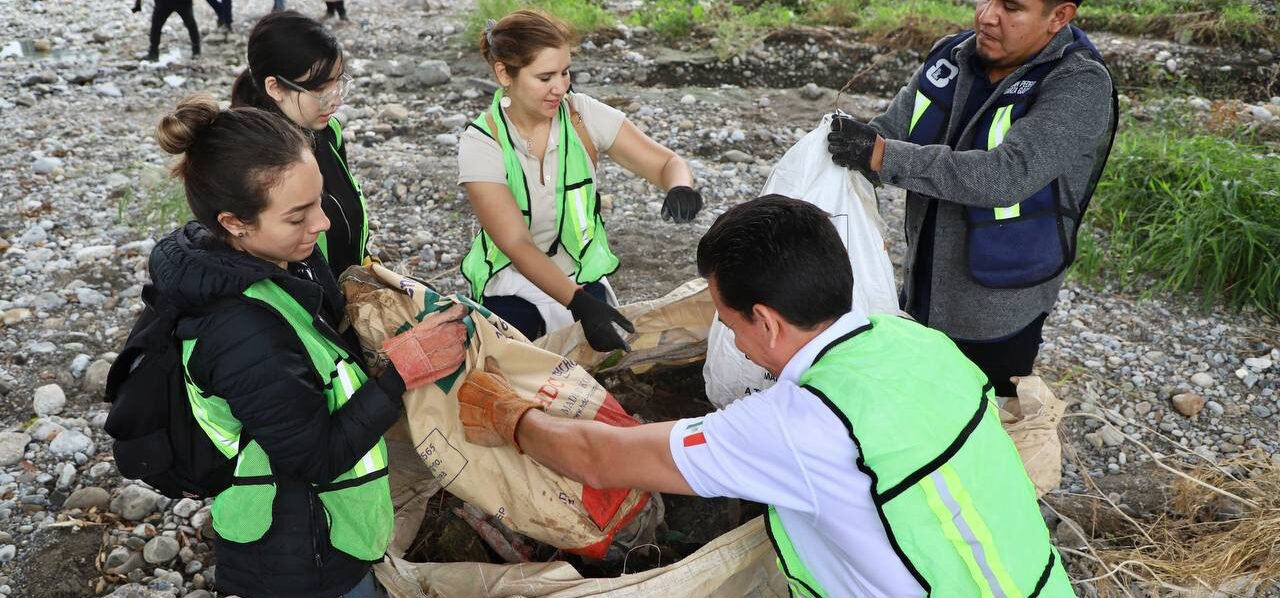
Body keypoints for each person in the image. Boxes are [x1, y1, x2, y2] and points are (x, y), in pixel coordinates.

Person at [455, 195, 1074, 597]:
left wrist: (513, 418)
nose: (724, 332)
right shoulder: (915, 342)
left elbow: (598, 458)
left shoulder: (802, 424)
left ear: (768, 321)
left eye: (726, 317)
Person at [148, 95, 468, 598]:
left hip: (323, 529)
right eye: (298, 217)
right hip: (302, 554)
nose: (321, 225)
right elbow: (315, 458)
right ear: (235, 223)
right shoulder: (242, 332)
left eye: (318, 201)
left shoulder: (264, 262)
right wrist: (403, 373)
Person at [825, 0, 1117, 399]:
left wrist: (880, 155)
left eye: (1011, 7)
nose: (986, 15)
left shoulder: (1079, 83)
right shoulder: (952, 55)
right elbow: (890, 131)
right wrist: (837, 153)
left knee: (981, 418)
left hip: (997, 308)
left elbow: (1006, 175)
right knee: (916, 401)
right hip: (922, 282)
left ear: (1058, 17)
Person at [459, 10, 705, 352]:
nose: (560, 87)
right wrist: (578, 305)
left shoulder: (582, 116)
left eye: (564, 72)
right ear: (504, 73)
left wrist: (679, 185)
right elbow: (516, 242)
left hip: (583, 281)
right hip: (512, 287)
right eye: (545, 77)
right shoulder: (483, 142)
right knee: (517, 376)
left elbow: (666, 161)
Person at [232, 11, 371, 281]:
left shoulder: (329, 131)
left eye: (339, 83)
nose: (336, 101)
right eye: (320, 90)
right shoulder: (255, 161)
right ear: (275, 87)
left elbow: (346, 204)